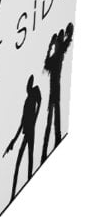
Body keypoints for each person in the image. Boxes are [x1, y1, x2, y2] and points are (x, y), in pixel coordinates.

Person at [5, 75, 42, 199]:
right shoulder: (27, 100)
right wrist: (13, 141)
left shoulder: (33, 95)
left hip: (30, 131)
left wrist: (34, 121)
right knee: (22, 158)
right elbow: (22, 122)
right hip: (27, 131)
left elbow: (39, 102)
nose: (27, 87)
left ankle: (27, 181)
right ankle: (14, 192)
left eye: (28, 85)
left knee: (27, 157)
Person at [42, 23, 74, 163]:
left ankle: (53, 141)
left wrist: (51, 46)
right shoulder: (57, 55)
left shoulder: (58, 54)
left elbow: (46, 64)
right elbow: (46, 65)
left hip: (55, 88)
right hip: (55, 88)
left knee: (54, 116)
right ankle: (55, 140)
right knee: (54, 115)